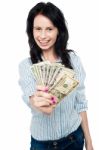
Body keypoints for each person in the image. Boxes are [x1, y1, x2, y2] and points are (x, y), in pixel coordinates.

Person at [19, 2, 93, 150]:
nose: (43, 36)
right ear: (31, 31)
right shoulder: (26, 66)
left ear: (58, 30)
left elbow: (80, 103)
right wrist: (38, 101)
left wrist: (89, 143)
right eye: (38, 29)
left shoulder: (73, 60)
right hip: (41, 144)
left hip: (74, 138)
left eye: (49, 29)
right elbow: (32, 99)